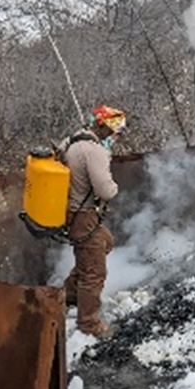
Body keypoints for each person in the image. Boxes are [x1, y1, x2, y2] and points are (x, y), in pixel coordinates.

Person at [61, 104, 127, 336]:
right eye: (114, 132)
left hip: (72, 212)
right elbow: (105, 190)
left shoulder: (72, 141)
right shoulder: (93, 151)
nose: (115, 137)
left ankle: (67, 296)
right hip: (84, 215)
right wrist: (115, 187)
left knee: (105, 242)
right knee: (94, 272)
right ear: (103, 126)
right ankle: (89, 325)